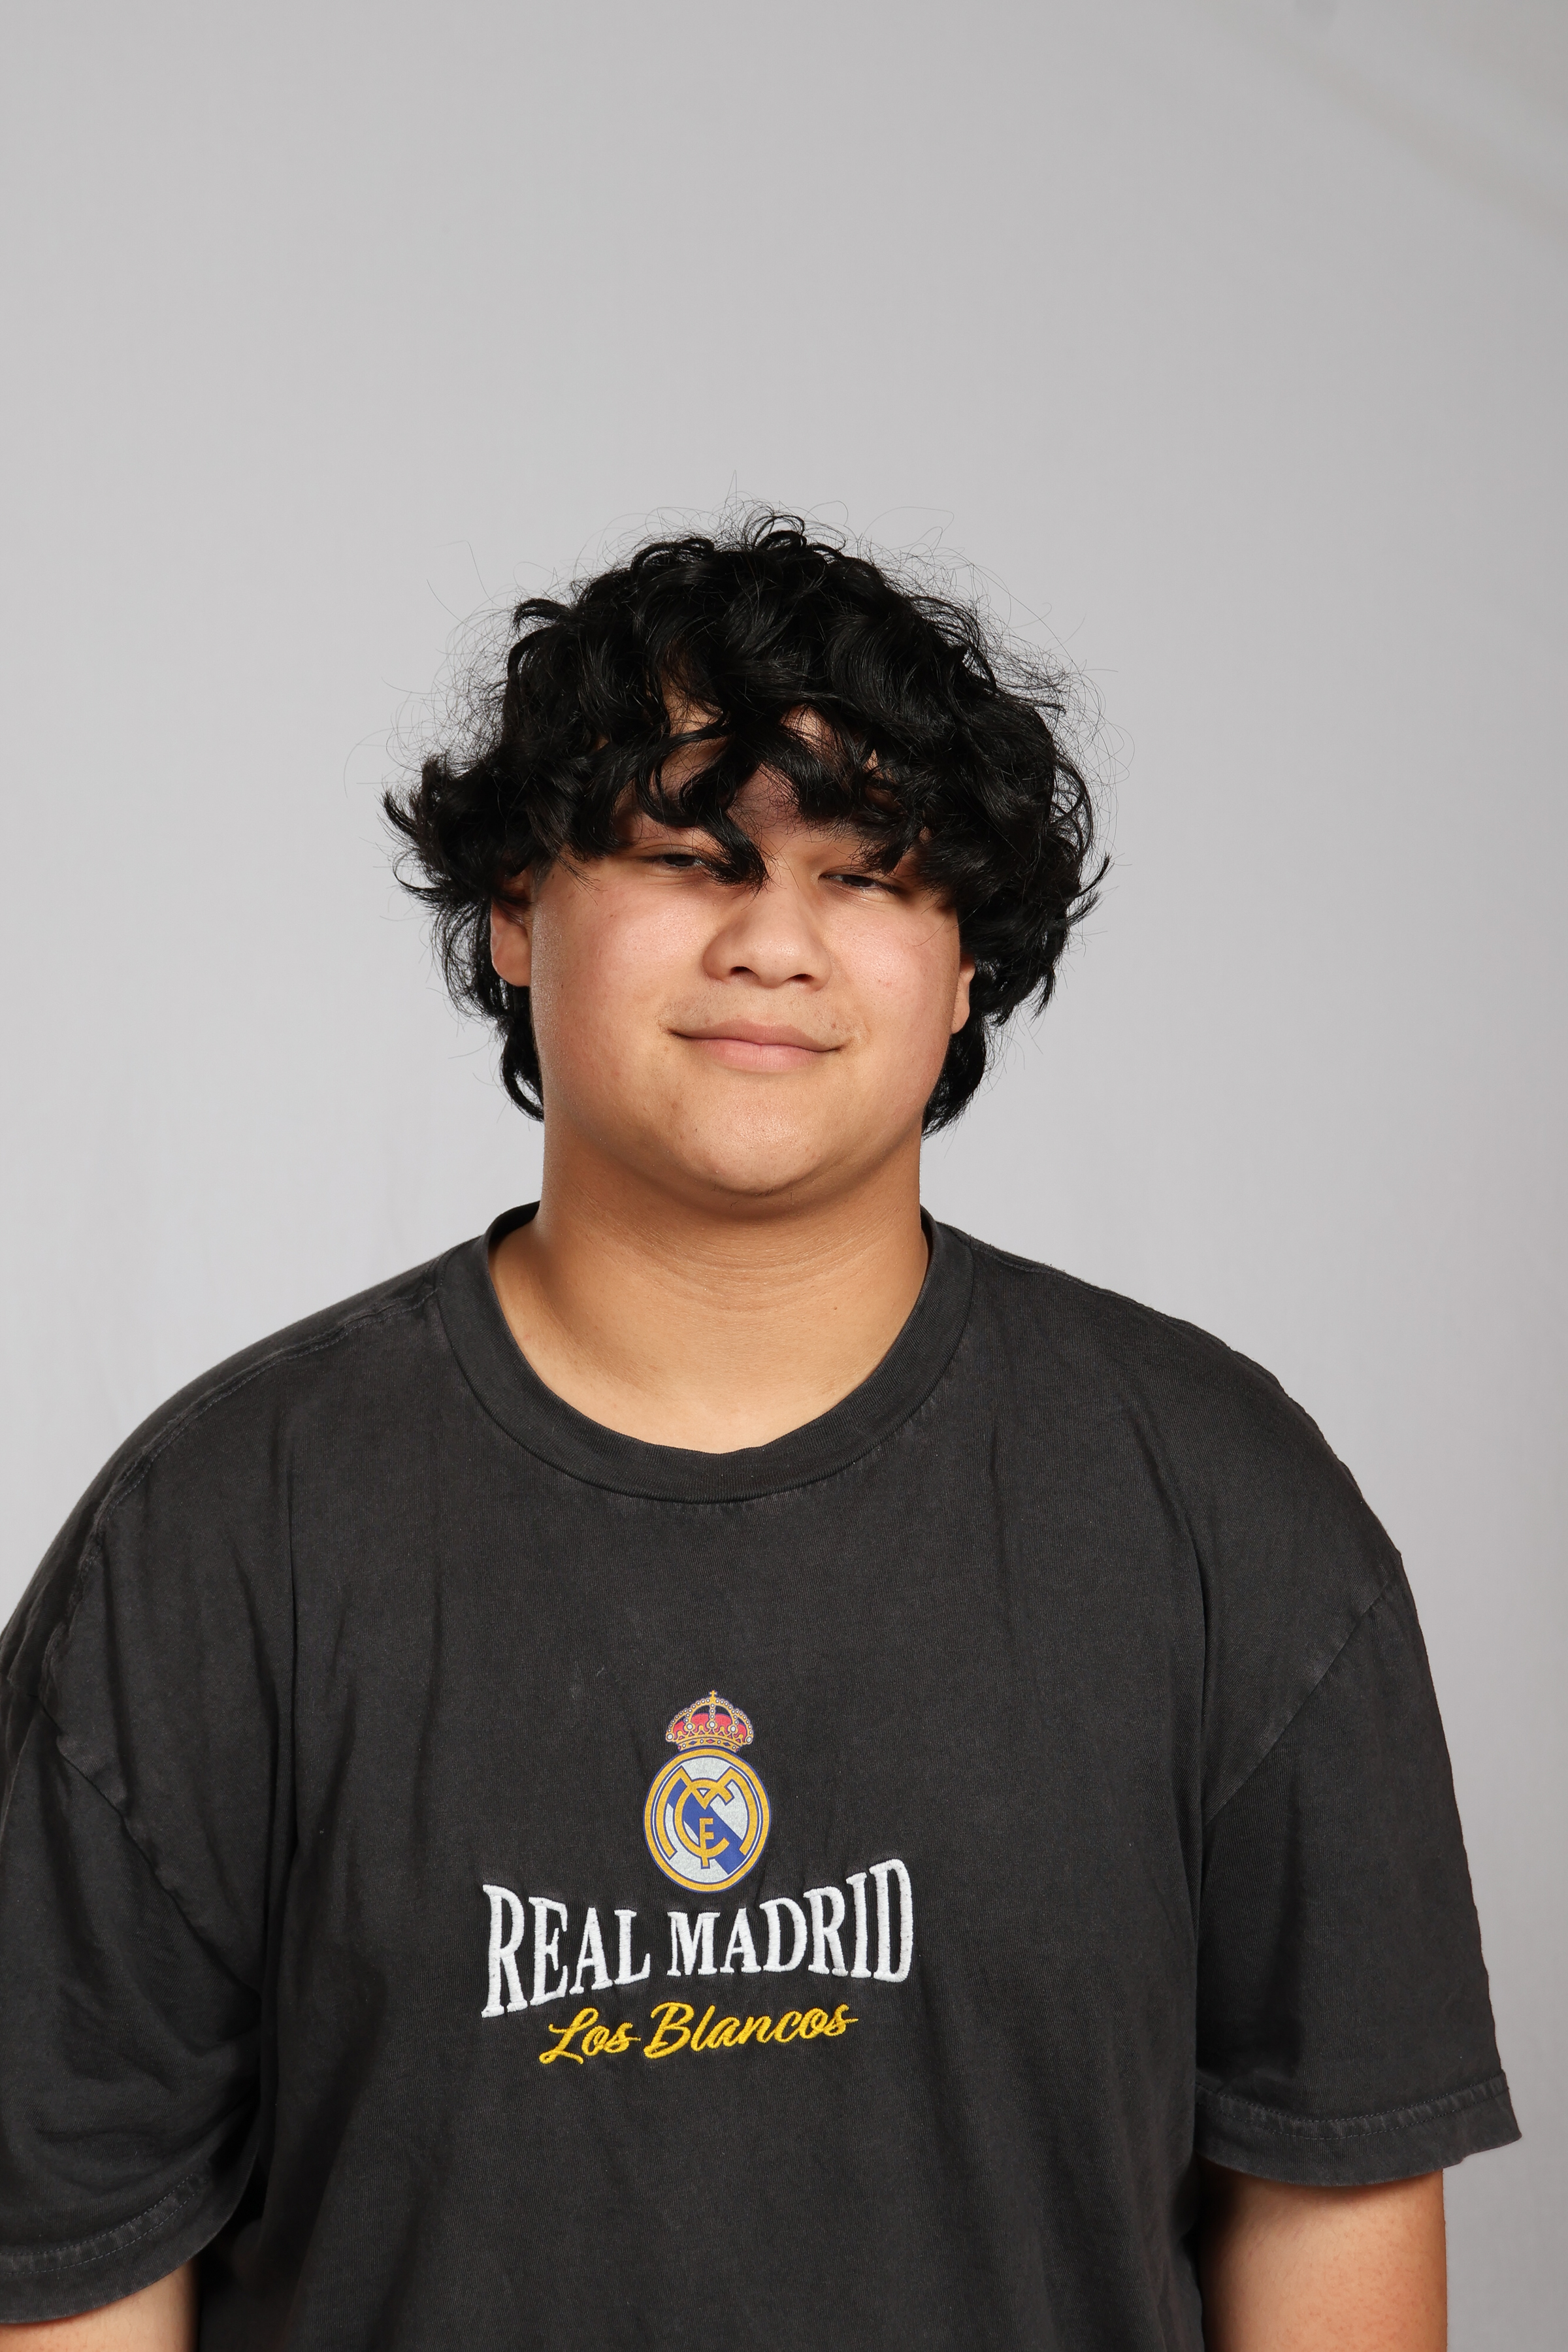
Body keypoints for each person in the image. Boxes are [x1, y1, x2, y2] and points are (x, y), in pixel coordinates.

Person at [0, 516, 1516, 2351]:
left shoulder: (1227, 1510)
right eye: (686, 857)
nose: (774, 943)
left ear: (967, 966)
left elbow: (1333, 2215)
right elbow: (67, 2271)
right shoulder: (217, 1538)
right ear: (513, 913)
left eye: (869, 876)